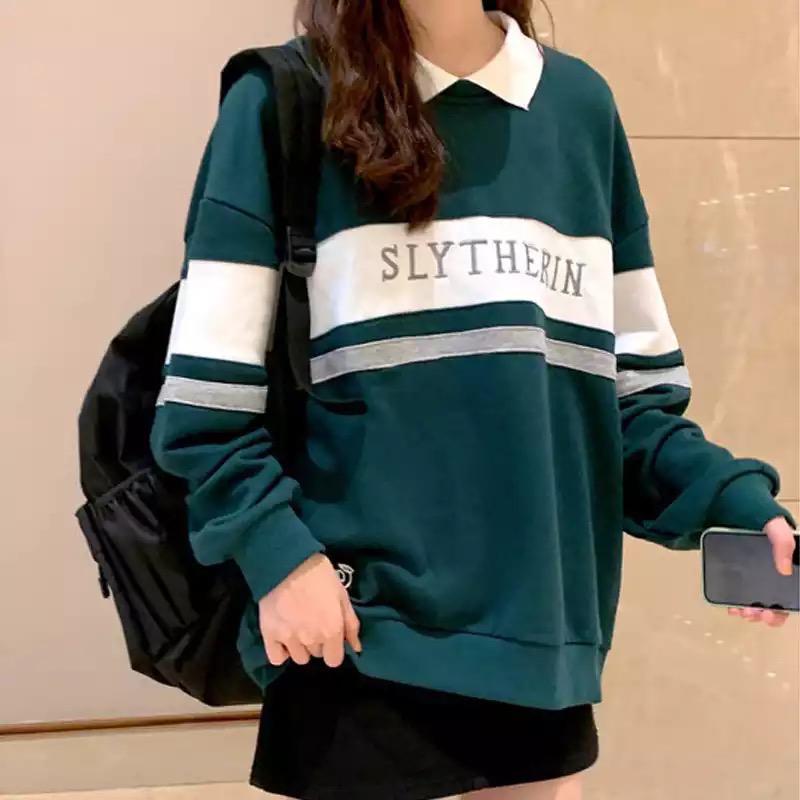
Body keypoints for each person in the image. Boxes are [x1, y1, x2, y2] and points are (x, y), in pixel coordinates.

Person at [149, 1, 798, 798]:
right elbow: (205, 402)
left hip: (541, 642)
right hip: (354, 633)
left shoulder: (578, 110)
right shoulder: (287, 98)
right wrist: (278, 558)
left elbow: (624, 406)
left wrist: (731, 502)